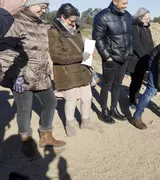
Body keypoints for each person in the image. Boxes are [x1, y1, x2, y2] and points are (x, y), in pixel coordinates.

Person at [0, 0, 66, 156]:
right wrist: (16, 76)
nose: (44, 10)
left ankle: (46, 136)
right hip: (21, 77)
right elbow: (5, 53)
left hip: (41, 74)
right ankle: (26, 140)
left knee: (51, 103)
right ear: (29, 4)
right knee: (24, 109)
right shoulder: (15, 21)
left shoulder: (40, 23)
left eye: (46, 7)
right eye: (41, 6)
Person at [48, 3, 96, 137]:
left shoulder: (77, 30)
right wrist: (80, 56)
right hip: (67, 71)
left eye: (76, 20)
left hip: (82, 69)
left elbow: (80, 49)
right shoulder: (53, 32)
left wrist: (88, 52)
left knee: (87, 98)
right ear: (62, 17)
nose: (74, 23)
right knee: (71, 99)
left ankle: (85, 121)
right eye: (72, 20)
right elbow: (56, 56)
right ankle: (70, 125)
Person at [92, 0, 133, 124]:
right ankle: (103, 111)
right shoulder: (102, 16)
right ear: (115, 1)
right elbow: (97, 38)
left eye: (127, 2)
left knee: (117, 84)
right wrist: (106, 56)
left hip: (124, 57)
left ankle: (113, 109)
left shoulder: (128, 15)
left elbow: (130, 36)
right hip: (111, 58)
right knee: (106, 84)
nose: (126, 5)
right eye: (123, 2)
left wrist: (130, 51)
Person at [127, 7, 154, 108]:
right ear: (140, 17)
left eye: (149, 18)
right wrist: (145, 56)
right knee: (135, 81)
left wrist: (152, 54)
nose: (148, 20)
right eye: (146, 18)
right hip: (136, 59)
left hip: (145, 59)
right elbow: (135, 43)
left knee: (140, 80)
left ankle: (135, 98)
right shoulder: (135, 27)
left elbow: (151, 43)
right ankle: (132, 101)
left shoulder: (147, 28)